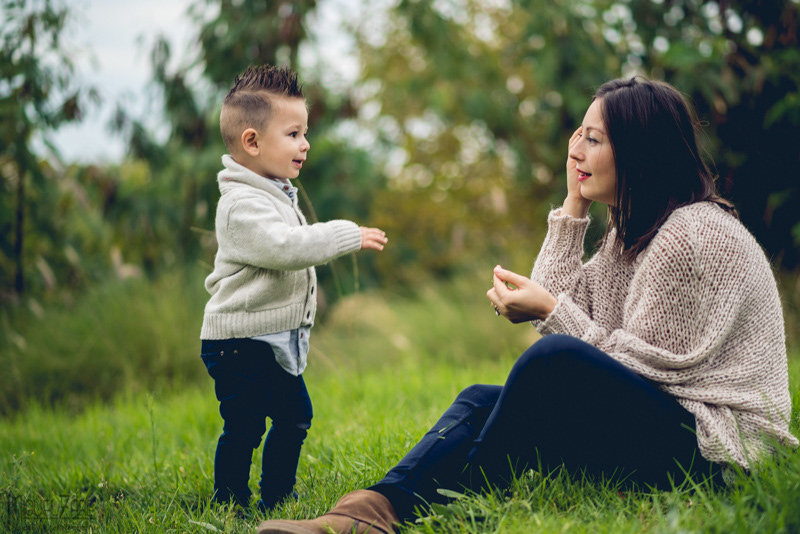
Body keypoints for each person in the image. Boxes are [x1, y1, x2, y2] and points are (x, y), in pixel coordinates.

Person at [255, 76, 798, 534]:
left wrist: (549, 311)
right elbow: (568, 306)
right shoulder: (632, 233)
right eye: (578, 136)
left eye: (593, 139)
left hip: (721, 453)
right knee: (480, 398)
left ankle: (464, 504)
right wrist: (573, 208)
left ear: (638, 151)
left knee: (552, 362)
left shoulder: (690, 235)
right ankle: (365, 514)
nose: (575, 150)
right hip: (674, 426)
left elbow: (635, 368)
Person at [200, 64, 388, 513]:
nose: (305, 144)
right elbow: (285, 247)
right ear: (252, 141)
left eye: (305, 133)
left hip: (268, 340)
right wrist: (344, 234)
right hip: (238, 343)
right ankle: (229, 500)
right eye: (293, 134)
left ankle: (278, 495)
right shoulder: (240, 205)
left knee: (295, 416)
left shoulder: (275, 192)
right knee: (245, 425)